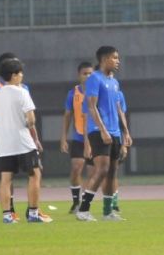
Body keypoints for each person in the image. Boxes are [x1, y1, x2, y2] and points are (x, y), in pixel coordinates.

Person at [0, 59, 52, 223]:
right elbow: (31, 119)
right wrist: (21, 125)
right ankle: (33, 213)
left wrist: (5, 128)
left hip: (4, 145)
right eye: (20, 73)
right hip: (23, 143)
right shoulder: (22, 92)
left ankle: (8, 216)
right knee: (35, 174)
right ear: (14, 75)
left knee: (5, 180)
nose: (22, 76)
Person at [76, 46, 131, 221]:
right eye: (115, 58)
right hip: (99, 132)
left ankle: (108, 212)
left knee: (112, 172)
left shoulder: (114, 82)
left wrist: (126, 132)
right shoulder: (94, 79)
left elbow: (118, 108)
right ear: (105, 59)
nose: (117, 61)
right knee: (102, 170)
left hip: (115, 132)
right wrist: (102, 130)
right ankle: (83, 210)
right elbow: (91, 106)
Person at [60, 62, 94, 213]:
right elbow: (68, 116)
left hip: (95, 137)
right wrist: (63, 137)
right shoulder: (72, 93)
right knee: (76, 168)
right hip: (79, 136)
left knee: (92, 173)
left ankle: (85, 204)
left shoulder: (97, 91)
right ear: (79, 75)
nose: (87, 76)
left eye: (90, 73)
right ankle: (76, 201)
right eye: (84, 73)